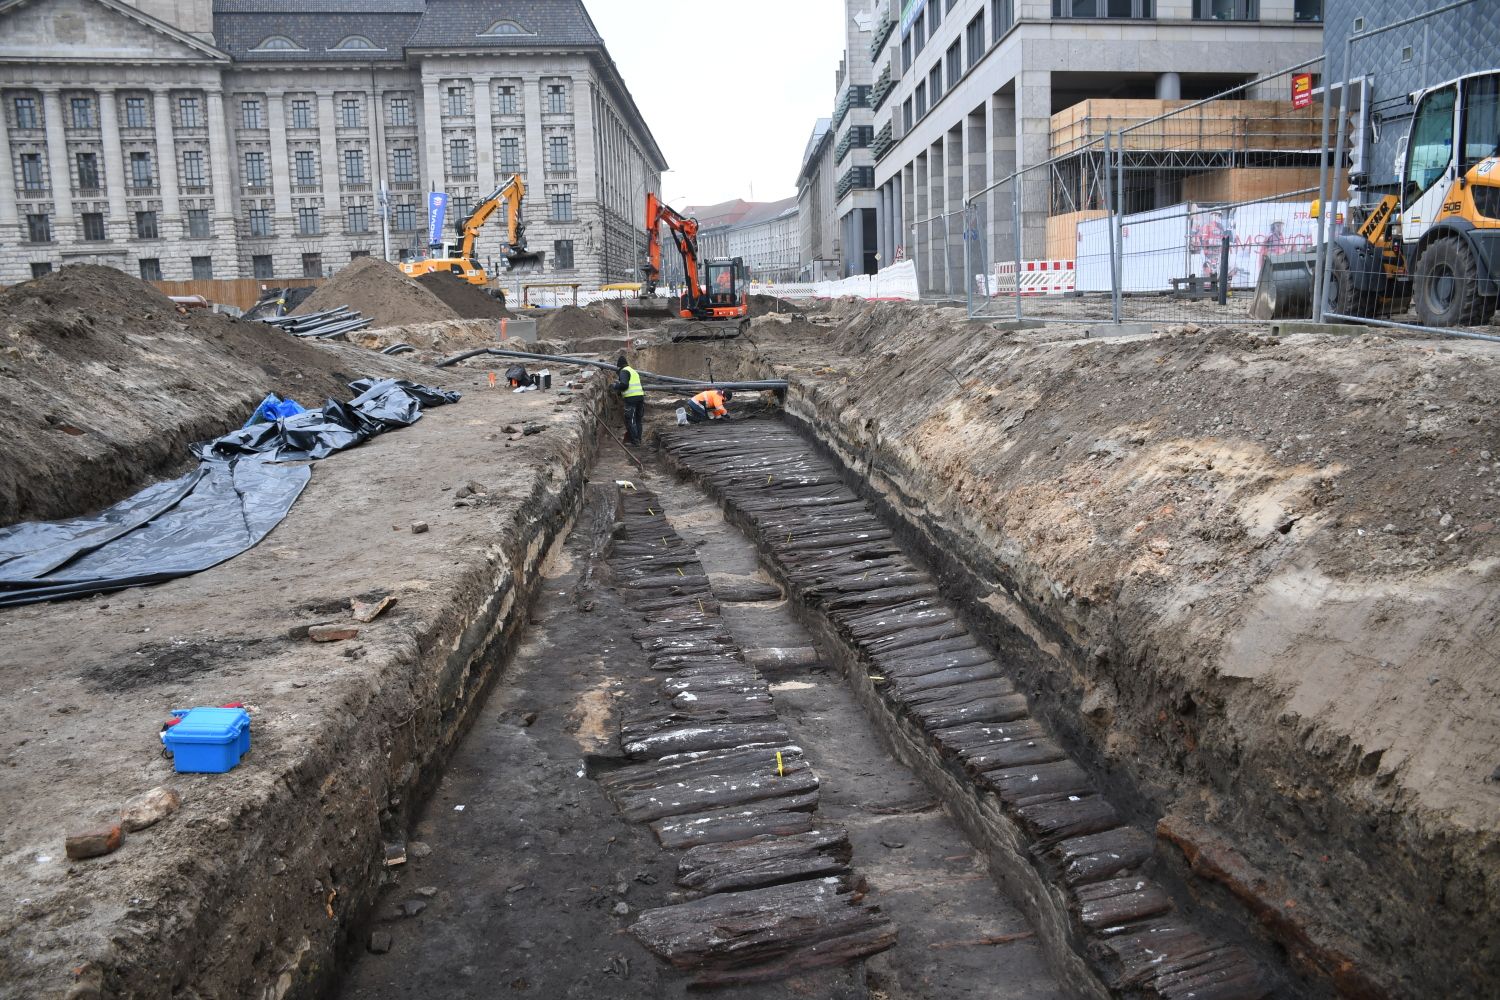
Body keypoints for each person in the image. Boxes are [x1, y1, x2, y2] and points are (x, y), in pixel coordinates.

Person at [613, 355, 645, 445]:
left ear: (619, 366)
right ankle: (639, 439)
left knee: (631, 420)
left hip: (631, 399)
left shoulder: (624, 371)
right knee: (638, 420)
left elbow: (624, 385)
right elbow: (632, 385)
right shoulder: (633, 371)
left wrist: (615, 386)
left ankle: (635, 441)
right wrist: (620, 392)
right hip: (640, 397)